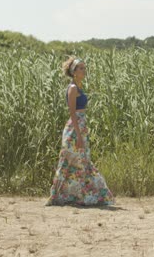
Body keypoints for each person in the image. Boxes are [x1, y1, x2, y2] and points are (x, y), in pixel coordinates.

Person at [45, 57, 114, 206]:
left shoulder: (78, 87)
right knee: (71, 162)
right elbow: (72, 112)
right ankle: (60, 196)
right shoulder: (72, 88)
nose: (84, 70)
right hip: (74, 129)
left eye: (84, 67)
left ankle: (78, 196)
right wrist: (78, 135)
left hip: (80, 127)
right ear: (74, 72)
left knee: (82, 161)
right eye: (81, 68)